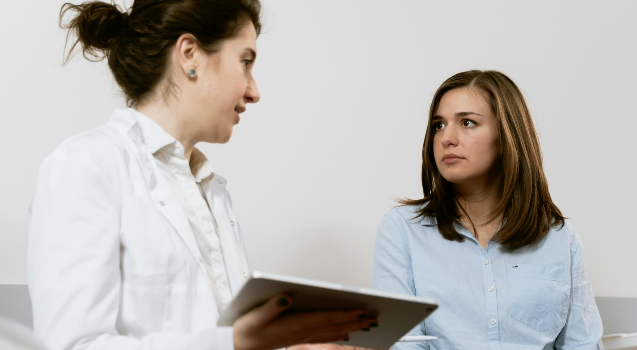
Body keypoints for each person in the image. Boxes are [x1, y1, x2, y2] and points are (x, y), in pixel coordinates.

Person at [27, 1, 378, 349]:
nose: (254, 91)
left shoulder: (211, 191)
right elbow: (72, 346)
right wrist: (236, 343)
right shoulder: (85, 165)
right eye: (245, 62)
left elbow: (216, 334)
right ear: (190, 54)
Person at [371, 70, 604, 349]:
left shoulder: (559, 237)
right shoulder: (402, 230)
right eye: (438, 125)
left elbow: (582, 344)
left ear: (507, 135)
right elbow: (404, 345)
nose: (447, 138)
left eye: (467, 122)